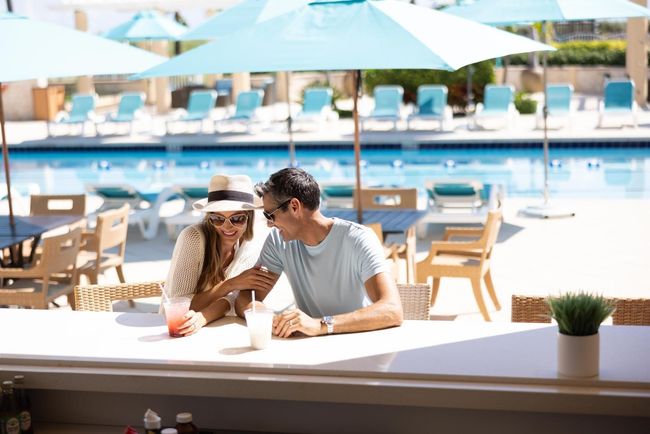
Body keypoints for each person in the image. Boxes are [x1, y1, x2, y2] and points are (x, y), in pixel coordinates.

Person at [235, 168, 403, 337]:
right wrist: (271, 320)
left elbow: (392, 309)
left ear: (294, 206)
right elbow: (246, 298)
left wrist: (321, 325)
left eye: (270, 215)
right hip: (308, 345)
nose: (269, 224)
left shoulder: (358, 238)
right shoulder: (278, 241)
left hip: (359, 341)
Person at [163, 174, 275, 336]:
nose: (227, 227)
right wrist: (229, 284)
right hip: (174, 330)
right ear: (209, 218)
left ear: (249, 217)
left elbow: (232, 300)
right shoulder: (193, 238)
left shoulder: (248, 246)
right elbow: (179, 307)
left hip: (217, 329)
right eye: (217, 218)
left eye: (237, 218)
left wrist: (204, 317)